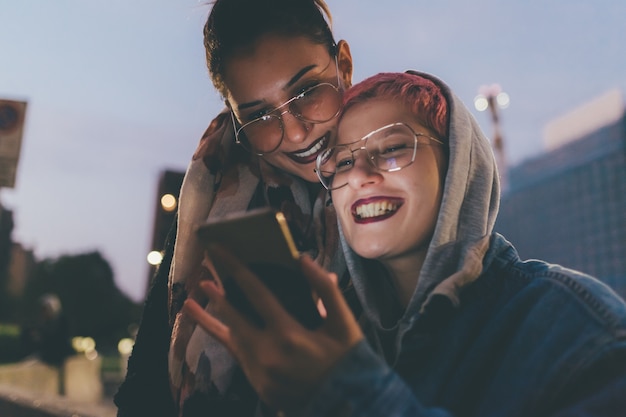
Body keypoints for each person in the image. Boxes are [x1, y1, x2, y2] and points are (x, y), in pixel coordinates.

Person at [184, 71, 626, 416]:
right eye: (341, 163)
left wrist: (350, 397)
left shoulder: (575, 328)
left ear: (457, 169)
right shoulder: (324, 336)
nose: (359, 175)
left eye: (393, 148)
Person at [114, 0, 354, 415]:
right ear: (235, 119)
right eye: (259, 116)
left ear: (344, 66)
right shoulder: (215, 192)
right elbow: (148, 381)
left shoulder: (400, 180)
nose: (295, 134)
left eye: (307, 91)